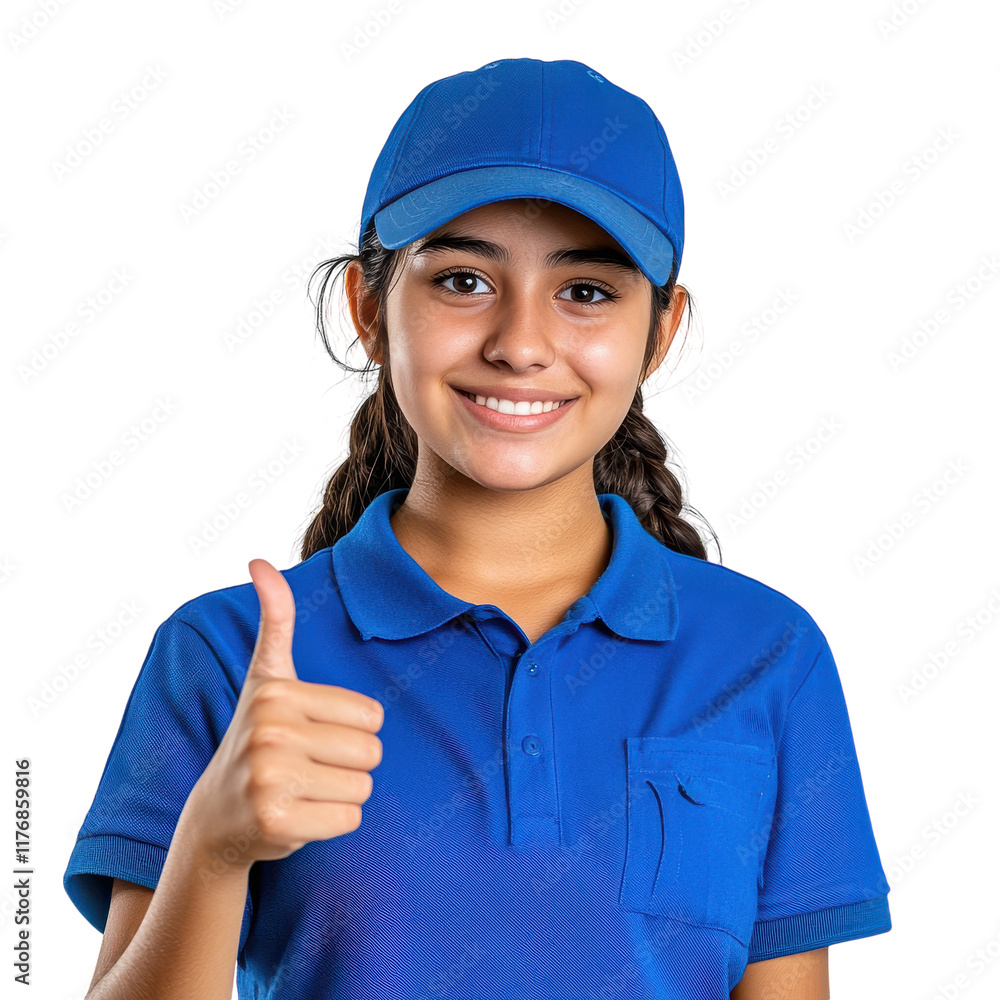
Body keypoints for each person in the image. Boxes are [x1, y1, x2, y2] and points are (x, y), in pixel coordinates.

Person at [62, 57, 891, 1000]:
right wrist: (211, 849)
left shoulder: (766, 655)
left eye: (585, 292)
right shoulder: (228, 656)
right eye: (462, 279)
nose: (521, 343)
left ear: (660, 333)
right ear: (370, 308)